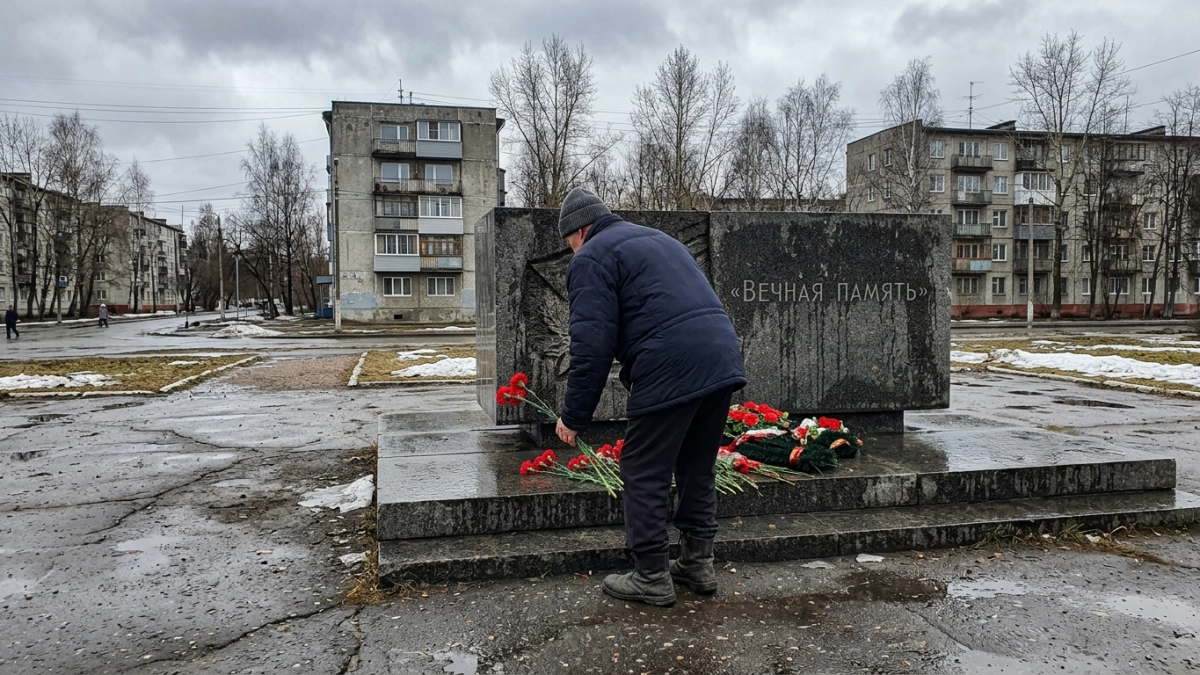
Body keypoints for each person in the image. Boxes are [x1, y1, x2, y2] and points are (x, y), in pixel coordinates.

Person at [555, 187, 747, 607]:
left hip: (670, 363)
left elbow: (590, 345)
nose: (570, 252)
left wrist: (573, 416)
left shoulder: (591, 257)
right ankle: (697, 563)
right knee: (697, 463)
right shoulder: (660, 239)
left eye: (568, 242)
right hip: (719, 356)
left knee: (643, 468)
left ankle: (651, 575)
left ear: (580, 230)